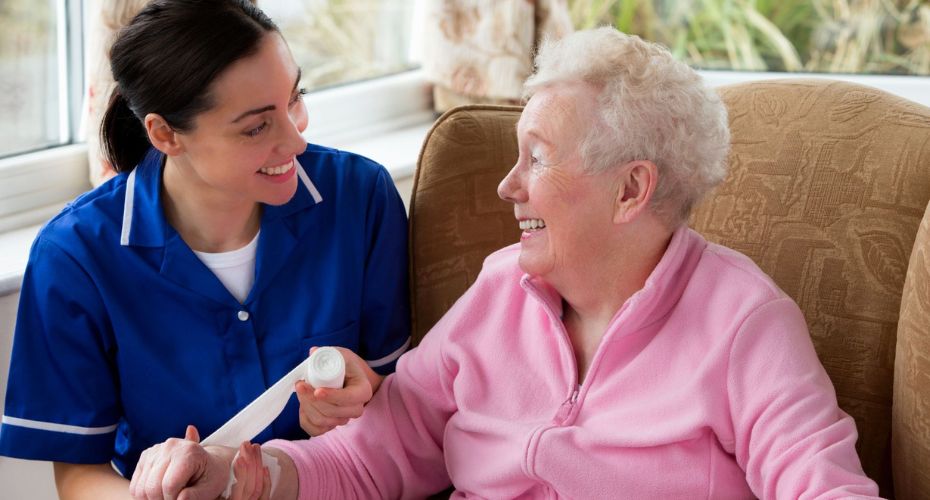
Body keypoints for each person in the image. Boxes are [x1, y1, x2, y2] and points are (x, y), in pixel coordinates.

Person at [130, 27, 881, 499]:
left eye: (537, 160)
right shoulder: (500, 290)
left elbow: (824, 486)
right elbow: (372, 460)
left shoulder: (742, 322)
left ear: (630, 189)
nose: (505, 185)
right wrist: (243, 477)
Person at [0, 0, 410, 498]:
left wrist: (365, 388)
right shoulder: (74, 256)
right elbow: (77, 474)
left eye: (294, 98)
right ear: (165, 133)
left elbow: (410, 402)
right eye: (257, 126)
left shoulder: (359, 197)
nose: (296, 140)